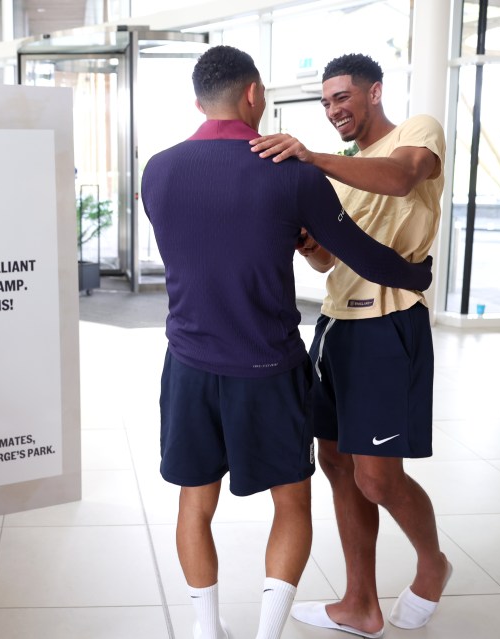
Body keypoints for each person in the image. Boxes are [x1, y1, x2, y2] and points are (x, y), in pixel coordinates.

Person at [140, 46, 433, 639]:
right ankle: (266, 633)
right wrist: (416, 276)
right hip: (269, 367)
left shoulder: (157, 170)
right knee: (291, 504)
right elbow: (354, 252)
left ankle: (205, 628)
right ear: (254, 95)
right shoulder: (290, 171)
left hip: (189, 364)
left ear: (199, 101)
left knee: (195, 505)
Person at [250, 53, 451, 639]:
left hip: (389, 327)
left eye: (343, 97)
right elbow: (330, 261)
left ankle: (432, 564)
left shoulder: (417, 133)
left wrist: (311, 156)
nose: (334, 109)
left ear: (374, 92)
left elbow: (403, 176)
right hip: (337, 325)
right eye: (327, 102)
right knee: (336, 463)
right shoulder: (347, 168)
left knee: (378, 478)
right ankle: (360, 602)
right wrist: (308, 244)